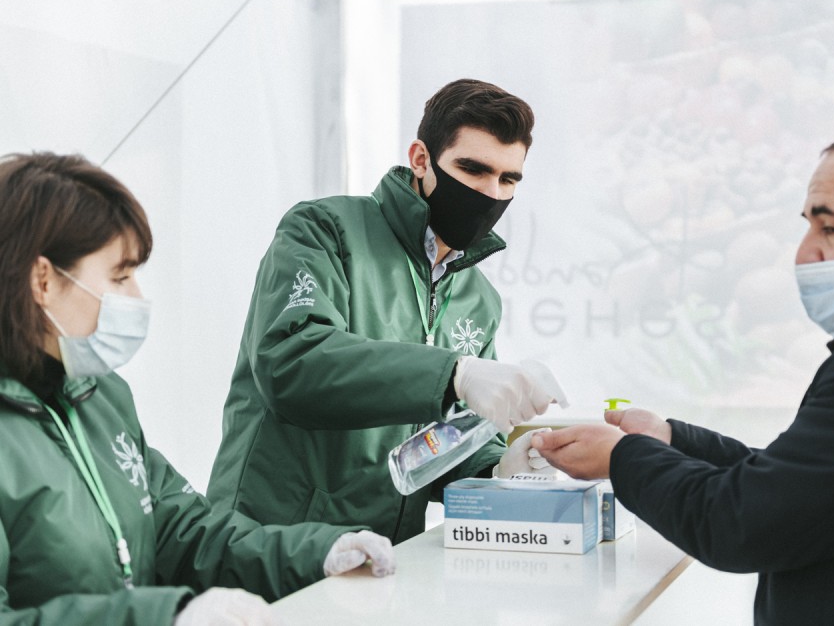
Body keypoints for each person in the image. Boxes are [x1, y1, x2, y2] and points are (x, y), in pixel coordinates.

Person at [532, 120, 834, 624]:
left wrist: (623, 457)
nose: (805, 253)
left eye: (831, 227)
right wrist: (670, 438)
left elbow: (741, 523)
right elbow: (812, 485)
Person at [0, 152, 395, 625]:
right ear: (42, 280)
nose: (137, 299)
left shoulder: (99, 397)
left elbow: (184, 529)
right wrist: (167, 616)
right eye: (119, 276)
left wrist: (316, 551)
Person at [207, 78, 566, 543]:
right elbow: (292, 365)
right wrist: (452, 372)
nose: (490, 192)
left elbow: (440, 445)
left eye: (508, 178)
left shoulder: (478, 299)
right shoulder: (325, 230)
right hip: (270, 543)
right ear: (421, 159)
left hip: (382, 558)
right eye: (473, 169)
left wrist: (496, 467)